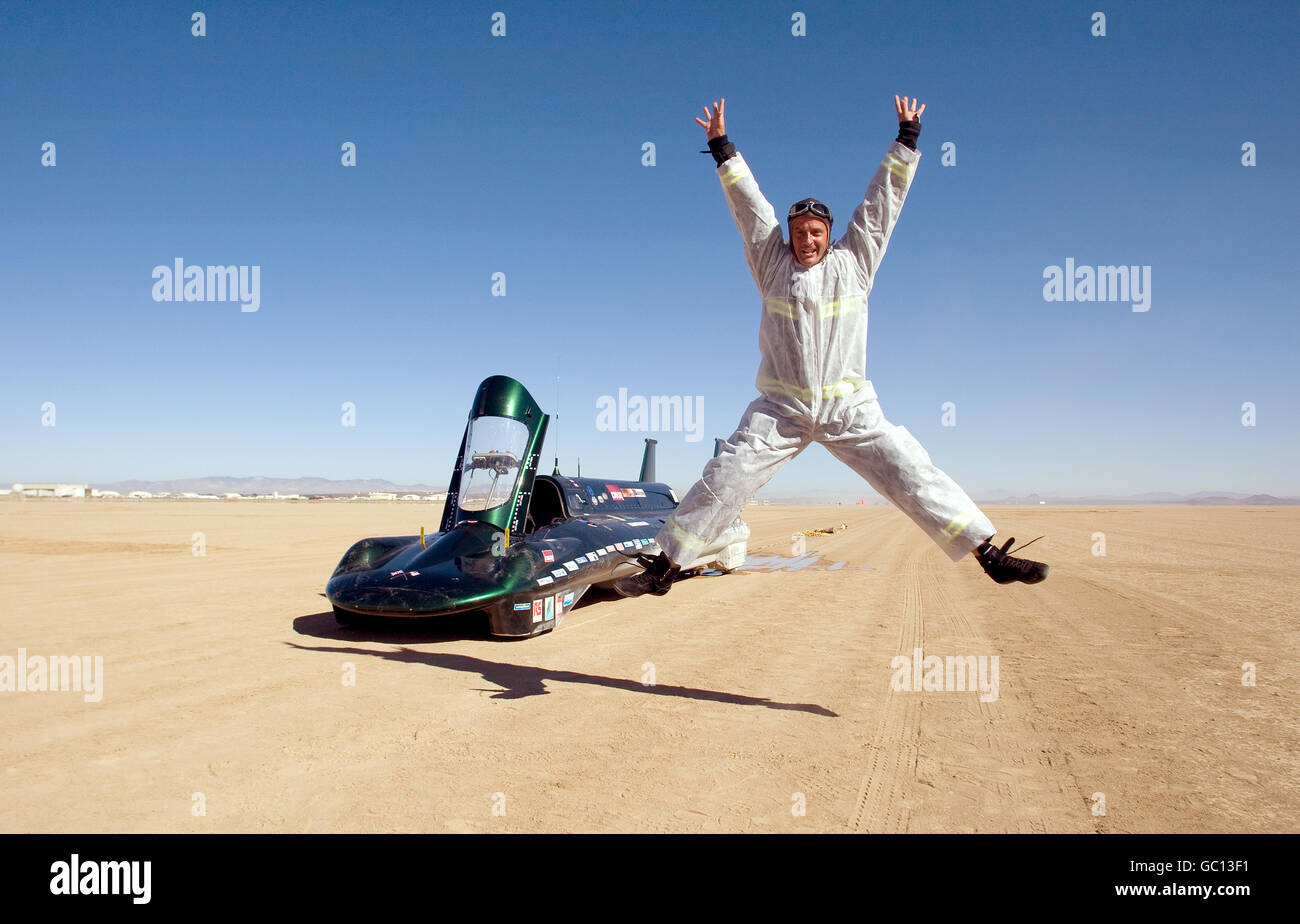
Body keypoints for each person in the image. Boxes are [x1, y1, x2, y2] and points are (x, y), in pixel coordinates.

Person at [615, 95, 1050, 597]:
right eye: (798, 232)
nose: (806, 240)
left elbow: (879, 209)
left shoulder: (855, 264)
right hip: (782, 407)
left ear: (829, 233)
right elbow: (750, 210)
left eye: (816, 232)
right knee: (726, 477)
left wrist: (906, 141)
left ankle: (988, 553)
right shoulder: (771, 264)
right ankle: (667, 565)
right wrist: (722, 148)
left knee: (911, 470)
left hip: (850, 406)